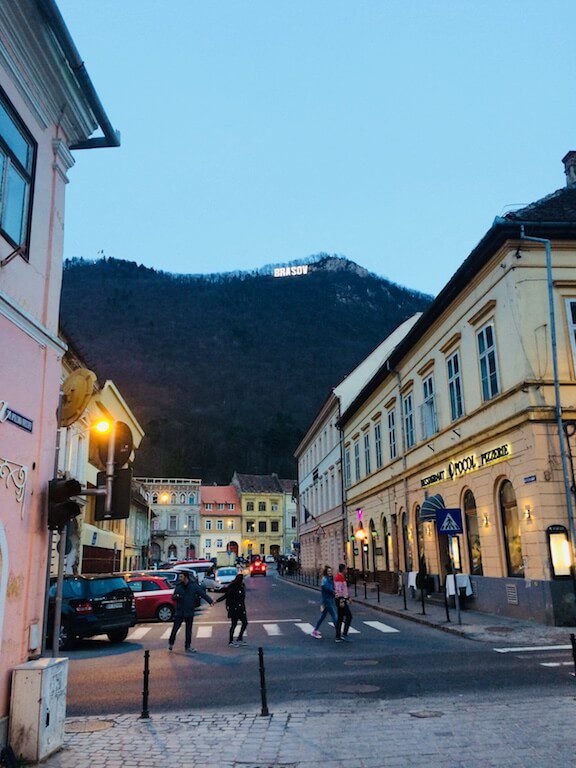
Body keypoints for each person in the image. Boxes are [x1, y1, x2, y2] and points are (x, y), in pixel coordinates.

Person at [168, 570, 214, 653]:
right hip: (180, 611)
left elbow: (202, 594)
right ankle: (171, 643)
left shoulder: (193, 586)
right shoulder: (178, 586)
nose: (180, 578)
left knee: (188, 630)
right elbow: (173, 597)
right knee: (175, 629)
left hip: (189, 611)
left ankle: (188, 646)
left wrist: (210, 601)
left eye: (181, 577)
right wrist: (176, 597)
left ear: (186, 577)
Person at [216, 573, 248, 647]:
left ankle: (239, 638)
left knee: (244, 622)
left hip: (241, 608)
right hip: (234, 609)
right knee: (234, 624)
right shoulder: (233, 587)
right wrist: (217, 601)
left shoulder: (241, 586)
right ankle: (231, 641)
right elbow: (226, 596)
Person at [311, 565, 339, 641]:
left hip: (330, 599)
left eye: (330, 571)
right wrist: (333, 592)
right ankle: (338, 631)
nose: (330, 572)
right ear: (326, 572)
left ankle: (315, 630)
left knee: (323, 616)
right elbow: (326, 588)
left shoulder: (331, 579)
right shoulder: (325, 579)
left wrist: (335, 592)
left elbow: (333, 587)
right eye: (328, 571)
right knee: (334, 615)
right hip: (327, 600)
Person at [334, 563, 353, 642]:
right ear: (343, 570)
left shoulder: (342, 577)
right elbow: (338, 591)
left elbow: (344, 590)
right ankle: (338, 636)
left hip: (343, 599)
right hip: (340, 600)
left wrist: (348, 597)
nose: (347, 570)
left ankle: (342, 633)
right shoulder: (339, 578)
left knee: (345, 617)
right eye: (346, 569)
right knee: (343, 617)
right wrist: (342, 600)